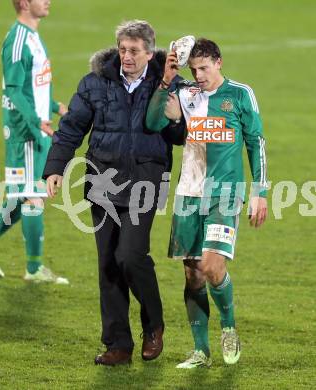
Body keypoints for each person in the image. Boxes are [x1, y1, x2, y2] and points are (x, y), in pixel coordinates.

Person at [43, 20, 184, 366]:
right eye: (123, 50)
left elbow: (180, 137)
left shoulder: (169, 84)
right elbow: (72, 127)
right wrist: (55, 168)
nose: (127, 57)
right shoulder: (95, 83)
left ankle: (154, 326)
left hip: (146, 182)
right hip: (102, 181)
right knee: (108, 264)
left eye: (134, 51)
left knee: (130, 256)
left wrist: (178, 119)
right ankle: (118, 344)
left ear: (150, 53)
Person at [146, 38, 268, 368]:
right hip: (189, 193)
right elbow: (153, 122)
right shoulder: (186, 93)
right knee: (192, 275)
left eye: (204, 68)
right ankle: (201, 351)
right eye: (193, 69)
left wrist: (260, 191)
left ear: (218, 62)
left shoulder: (240, 94)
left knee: (212, 266)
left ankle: (228, 329)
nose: (198, 75)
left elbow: (256, 143)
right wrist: (166, 82)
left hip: (225, 193)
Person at [0, 0, 68, 284]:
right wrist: (35, 120)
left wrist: (55, 106)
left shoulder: (33, 36)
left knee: (18, 200)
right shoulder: (17, 40)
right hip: (24, 132)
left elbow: (33, 84)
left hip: (37, 127)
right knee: (32, 196)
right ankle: (34, 269)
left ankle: (35, 269)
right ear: (25, 3)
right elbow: (13, 90)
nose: (48, 1)